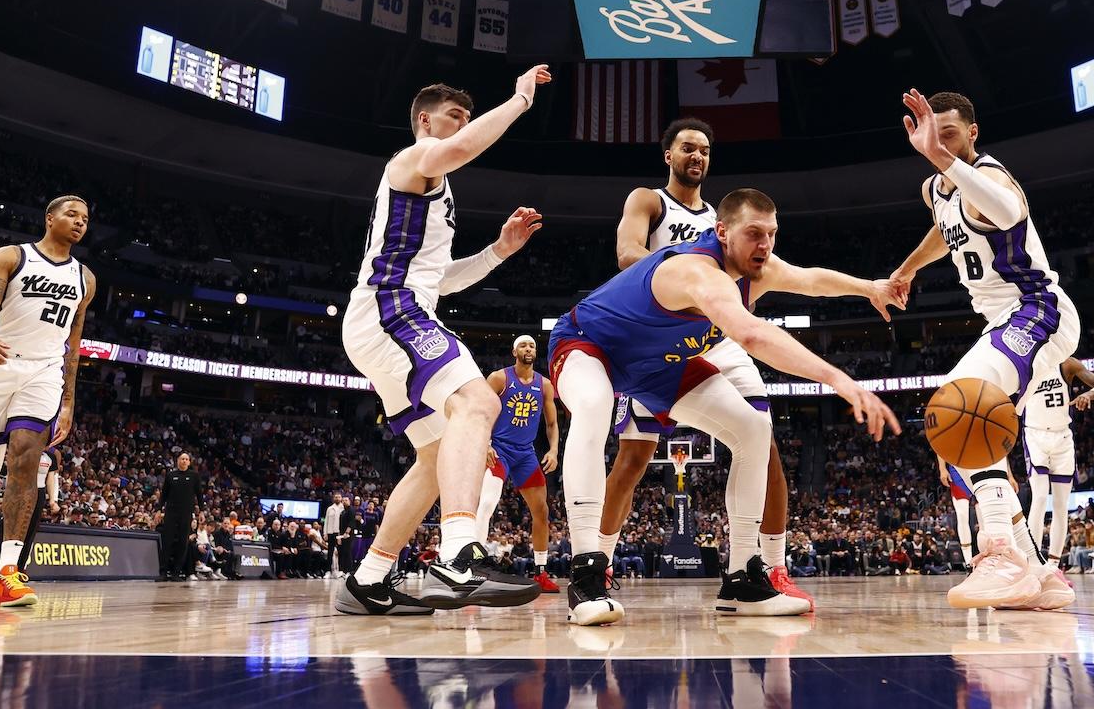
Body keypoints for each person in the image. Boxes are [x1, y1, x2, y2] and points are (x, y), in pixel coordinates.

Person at [548, 187, 902, 625]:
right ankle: (586, 574)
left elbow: (810, 280)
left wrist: (870, 287)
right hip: (588, 342)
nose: (765, 245)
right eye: (754, 233)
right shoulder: (699, 272)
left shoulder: (759, 268)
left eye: (771, 234)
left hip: (659, 365)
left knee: (753, 431)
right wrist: (838, 379)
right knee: (596, 406)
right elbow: (751, 335)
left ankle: (742, 579)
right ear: (722, 232)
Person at [334, 69, 552, 616]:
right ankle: (458, 555)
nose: (463, 126)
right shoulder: (410, 161)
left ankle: (368, 578)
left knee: (435, 457)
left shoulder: (433, 190)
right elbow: (459, 147)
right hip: (390, 309)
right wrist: (520, 100)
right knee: (478, 401)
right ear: (425, 122)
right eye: (454, 117)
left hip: (397, 312)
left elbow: (439, 279)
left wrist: (499, 251)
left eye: (465, 117)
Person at [601, 119, 815, 608]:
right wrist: (688, 280)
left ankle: (770, 569)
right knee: (632, 461)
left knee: (764, 445)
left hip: (718, 341)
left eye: (704, 150)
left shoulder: (728, 218)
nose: (696, 156)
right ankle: (603, 563)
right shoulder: (649, 200)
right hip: (658, 335)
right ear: (668, 155)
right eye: (687, 148)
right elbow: (626, 252)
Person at [891, 90, 1078, 611]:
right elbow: (944, 232)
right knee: (955, 438)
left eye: (948, 134)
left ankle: (998, 551)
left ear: (972, 134)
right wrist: (906, 269)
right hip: (1002, 319)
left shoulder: (991, 177)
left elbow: (1009, 209)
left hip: (1039, 308)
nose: (939, 143)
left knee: (960, 401)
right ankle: (1039, 576)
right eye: (933, 135)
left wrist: (942, 156)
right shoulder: (937, 187)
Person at [0, 196, 96, 607]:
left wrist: (68, 401)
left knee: (27, 462)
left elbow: (74, 344)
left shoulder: (86, 278)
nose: (79, 223)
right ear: (49, 218)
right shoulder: (12, 256)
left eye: (85, 219)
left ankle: (6, 573)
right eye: (71, 215)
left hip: (45, 373)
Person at [474, 335, 562, 593]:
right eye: (523, 345)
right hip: (499, 449)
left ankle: (540, 572)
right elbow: (480, 412)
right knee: (488, 503)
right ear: (514, 351)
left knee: (542, 511)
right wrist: (486, 442)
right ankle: (473, 568)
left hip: (525, 453)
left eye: (532, 345)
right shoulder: (499, 378)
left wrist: (554, 450)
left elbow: (552, 424)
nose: (528, 349)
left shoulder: (544, 385)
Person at [1023, 357, 1094, 570]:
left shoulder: (1066, 364)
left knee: (1061, 504)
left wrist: (1090, 393)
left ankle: (1053, 564)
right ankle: (1032, 561)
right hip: (1035, 435)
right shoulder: (1023, 363)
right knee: (1040, 496)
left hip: (1062, 437)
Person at [15, 446, 63, 574]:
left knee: (30, 532)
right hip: (21, 491)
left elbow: (51, 478)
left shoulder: (50, 456)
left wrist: (53, 500)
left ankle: (20, 568)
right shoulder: (25, 451)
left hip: (39, 492)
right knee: (13, 529)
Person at [157, 453, 201, 581]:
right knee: (167, 542)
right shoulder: (171, 475)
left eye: (186, 459)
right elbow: (163, 494)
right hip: (171, 513)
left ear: (189, 462)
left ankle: (176, 572)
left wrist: (202, 511)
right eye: (182, 459)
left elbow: (199, 495)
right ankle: (163, 572)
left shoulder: (194, 476)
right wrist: (159, 509)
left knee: (183, 543)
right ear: (178, 461)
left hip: (186, 514)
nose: (184, 461)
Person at [937, 454, 974, 570]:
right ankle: (969, 562)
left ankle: (988, 557)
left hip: (978, 465)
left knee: (983, 517)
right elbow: (940, 443)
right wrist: (942, 468)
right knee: (962, 515)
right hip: (957, 467)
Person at [323, 493, 347, 578]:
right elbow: (326, 521)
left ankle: (340, 571)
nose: (337, 498)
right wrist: (325, 533)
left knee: (340, 552)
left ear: (341, 498)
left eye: (339, 497)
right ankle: (328, 571)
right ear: (333, 498)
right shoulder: (330, 508)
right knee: (330, 552)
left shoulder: (343, 508)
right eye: (336, 497)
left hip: (339, 533)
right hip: (330, 532)